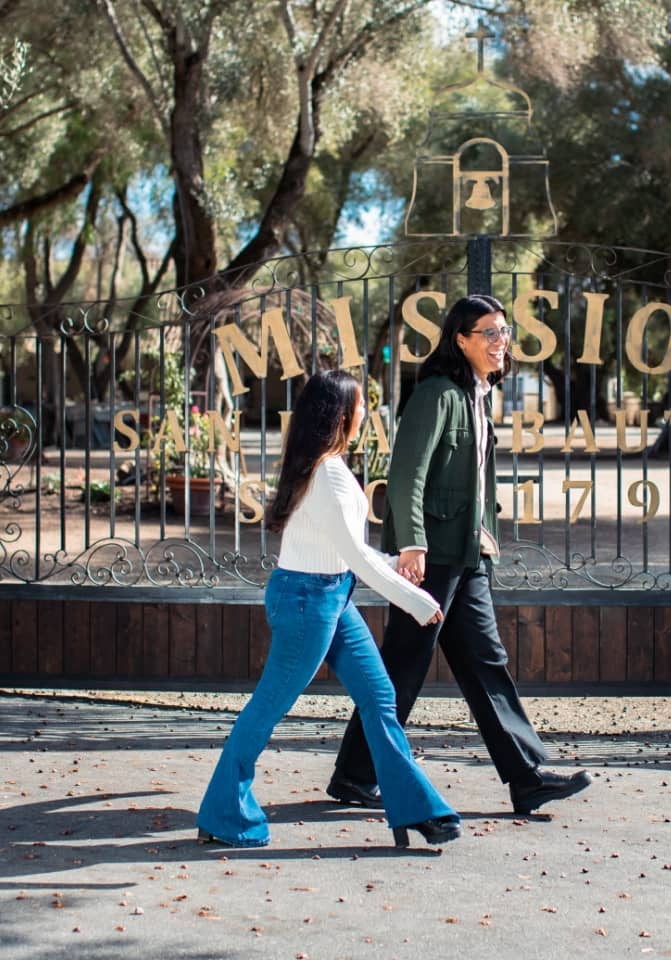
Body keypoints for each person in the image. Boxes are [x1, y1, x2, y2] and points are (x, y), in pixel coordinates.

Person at [328, 294, 591, 815]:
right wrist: (413, 544)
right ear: (461, 339)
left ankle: (526, 776)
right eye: (489, 333)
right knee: (404, 664)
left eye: (504, 332)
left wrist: (483, 534)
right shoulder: (437, 395)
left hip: (467, 554)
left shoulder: (477, 395)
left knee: (485, 662)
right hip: (432, 556)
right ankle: (356, 774)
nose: (501, 343)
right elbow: (408, 472)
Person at [196, 370, 460, 849]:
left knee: (380, 699)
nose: (366, 411)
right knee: (269, 706)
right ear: (342, 415)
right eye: (361, 405)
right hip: (307, 602)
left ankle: (418, 809)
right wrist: (417, 600)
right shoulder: (329, 475)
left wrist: (396, 570)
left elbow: (347, 555)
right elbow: (356, 556)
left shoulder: (320, 465)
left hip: (328, 595)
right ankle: (223, 812)